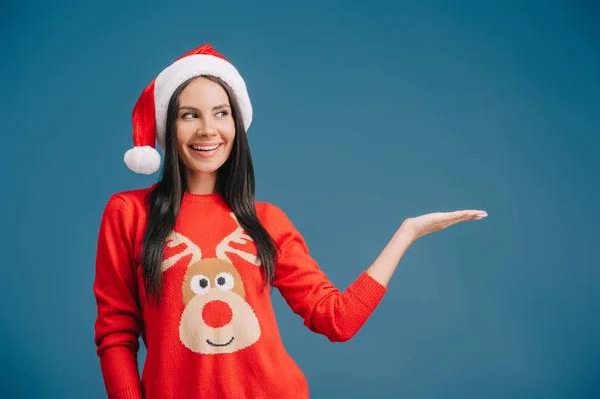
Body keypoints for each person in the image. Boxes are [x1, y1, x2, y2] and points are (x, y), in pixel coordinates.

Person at [93, 43, 487, 399]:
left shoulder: (267, 221)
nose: (207, 129)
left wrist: (408, 233)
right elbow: (115, 334)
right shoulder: (129, 214)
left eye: (220, 113)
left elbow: (337, 320)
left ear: (236, 125)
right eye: (189, 115)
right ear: (168, 126)